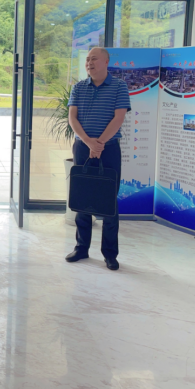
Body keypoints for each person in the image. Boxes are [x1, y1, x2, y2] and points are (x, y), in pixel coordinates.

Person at [64, 47, 130, 270]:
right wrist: (88, 142)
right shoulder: (79, 87)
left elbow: (119, 118)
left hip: (109, 149)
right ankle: (81, 248)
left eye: (94, 59)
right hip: (82, 148)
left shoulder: (119, 86)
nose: (89, 63)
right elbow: (72, 118)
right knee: (82, 197)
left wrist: (99, 143)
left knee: (109, 201)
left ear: (106, 62)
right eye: (87, 60)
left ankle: (110, 254)